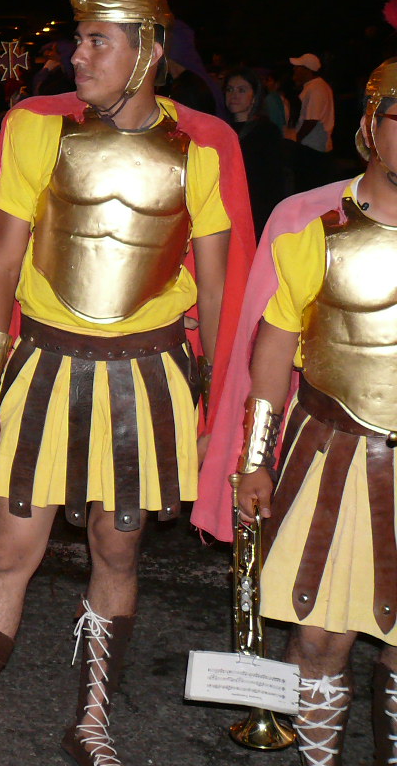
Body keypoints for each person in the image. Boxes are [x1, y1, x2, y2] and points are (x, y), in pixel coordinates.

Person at [0, 0, 253, 765]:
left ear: (147, 51)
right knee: (6, 552)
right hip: (42, 369)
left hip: (149, 379)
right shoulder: (33, 128)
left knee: (116, 550)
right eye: (78, 38)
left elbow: (218, 292)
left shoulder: (205, 147)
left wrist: (222, 418)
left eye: (96, 40)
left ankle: (91, 719)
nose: (76, 53)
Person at [191, 50, 397, 764]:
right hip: (333, 454)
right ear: (369, 128)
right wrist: (254, 465)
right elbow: (272, 352)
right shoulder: (315, 228)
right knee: (318, 637)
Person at [223, 67, 291, 233]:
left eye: (242, 90)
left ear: (254, 96)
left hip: (256, 213)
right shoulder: (222, 129)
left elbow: (275, 180)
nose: (234, 95)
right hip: (228, 210)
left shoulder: (266, 131)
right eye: (230, 89)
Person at [290, 52, 336, 152]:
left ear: (307, 70)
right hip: (315, 145)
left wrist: (297, 139)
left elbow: (311, 120)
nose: (294, 69)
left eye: (298, 67)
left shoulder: (315, 89)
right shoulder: (318, 86)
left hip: (312, 146)